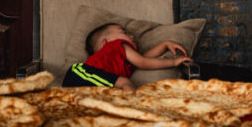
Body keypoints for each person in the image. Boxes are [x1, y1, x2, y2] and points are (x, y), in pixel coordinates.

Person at [62, 23, 192, 91]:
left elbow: (144, 58)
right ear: (105, 42)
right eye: (124, 32)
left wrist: (164, 45)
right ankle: (132, 108)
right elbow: (143, 62)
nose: (132, 36)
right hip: (81, 73)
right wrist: (174, 62)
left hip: (88, 83)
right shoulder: (116, 45)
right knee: (125, 83)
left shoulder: (123, 60)